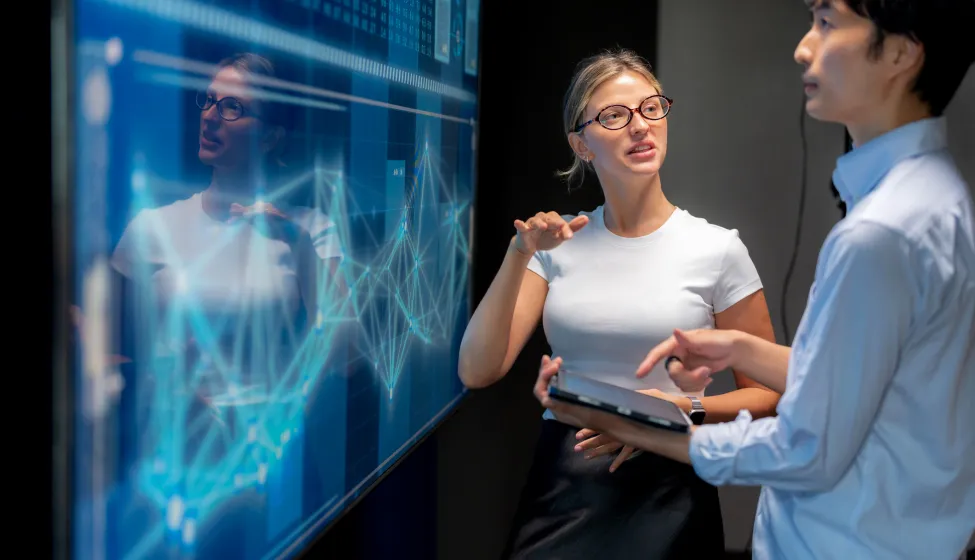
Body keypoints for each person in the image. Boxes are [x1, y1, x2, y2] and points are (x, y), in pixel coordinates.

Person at [535, 1, 975, 559]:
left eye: (826, 22)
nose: (803, 47)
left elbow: (807, 448)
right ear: (580, 142)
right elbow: (864, 379)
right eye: (614, 115)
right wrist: (741, 347)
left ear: (899, 52)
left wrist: (644, 424)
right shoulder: (935, 200)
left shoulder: (881, 233)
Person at [458, 48, 781, 559]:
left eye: (651, 108)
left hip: (670, 488)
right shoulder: (559, 244)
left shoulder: (717, 248)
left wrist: (678, 411)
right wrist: (519, 252)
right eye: (614, 116)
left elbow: (769, 398)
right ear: (581, 144)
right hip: (567, 487)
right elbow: (478, 369)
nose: (640, 126)